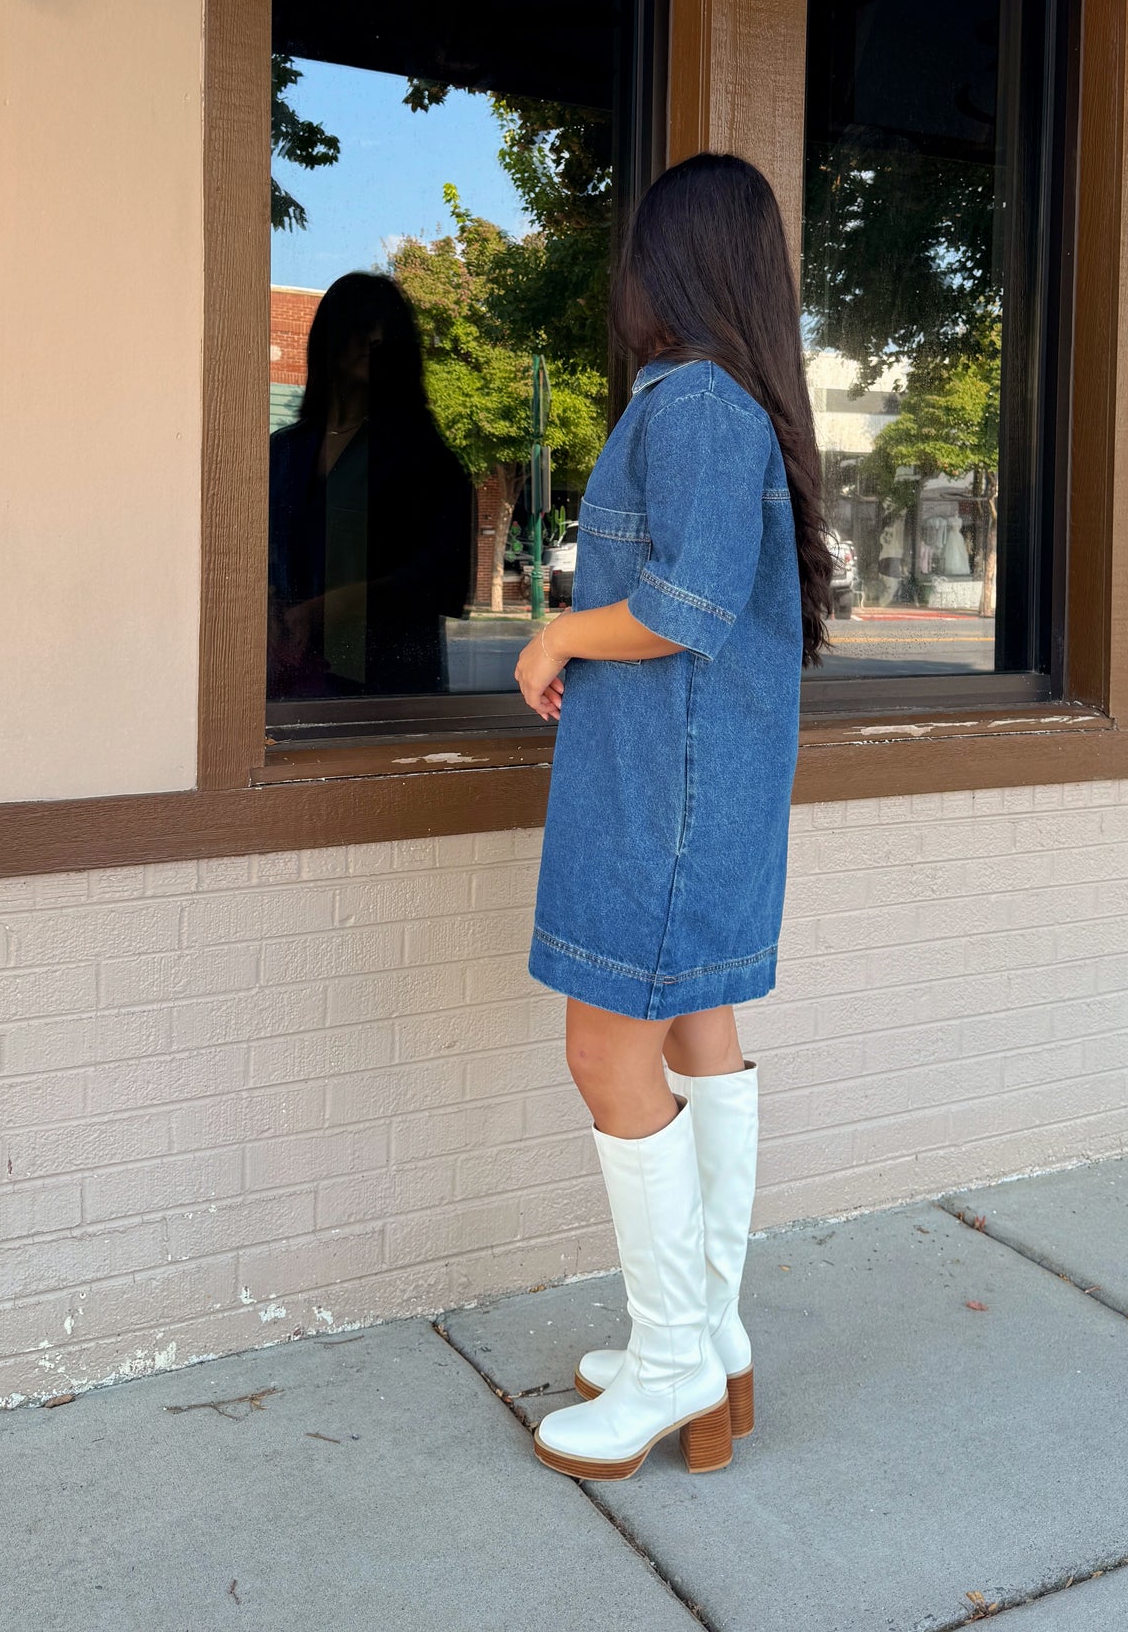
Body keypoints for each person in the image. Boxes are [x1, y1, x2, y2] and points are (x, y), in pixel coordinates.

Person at [513, 153, 834, 1480]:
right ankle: (709, 1333)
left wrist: (554, 631)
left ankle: (672, 1362)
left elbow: (680, 609)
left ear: (674, 263)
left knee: (606, 1051)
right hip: (703, 787)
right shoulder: (734, 406)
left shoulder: (695, 404)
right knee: (699, 1025)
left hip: (667, 793)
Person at [267, 272, 472, 702]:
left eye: (386, 329)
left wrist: (327, 608)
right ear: (331, 336)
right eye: (361, 324)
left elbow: (444, 581)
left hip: (388, 698)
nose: (374, 338)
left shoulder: (426, 460)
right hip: (285, 692)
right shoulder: (282, 453)